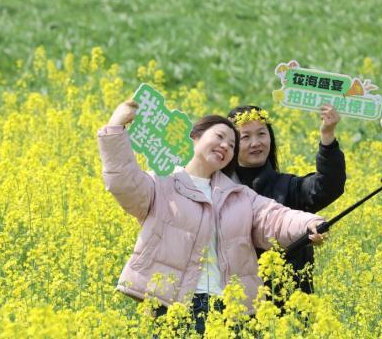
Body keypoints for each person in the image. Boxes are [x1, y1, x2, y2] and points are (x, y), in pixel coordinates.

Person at [97, 99, 327, 334]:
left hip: (230, 311)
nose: (225, 145)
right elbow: (124, 181)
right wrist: (115, 126)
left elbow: (276, 218)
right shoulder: (162, 183)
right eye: (219, 137)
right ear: (195, 137)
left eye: (232, 144)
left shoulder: (239, 195)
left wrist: (310, 224)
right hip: (175, 306)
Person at [227, 104, 346, 294]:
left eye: (261, 134)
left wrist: (327, 137)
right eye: (245, 137)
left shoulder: (288, 187)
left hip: (290, 298)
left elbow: (327, 186)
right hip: (237, 300)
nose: (255, 143)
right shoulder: (220, 191)